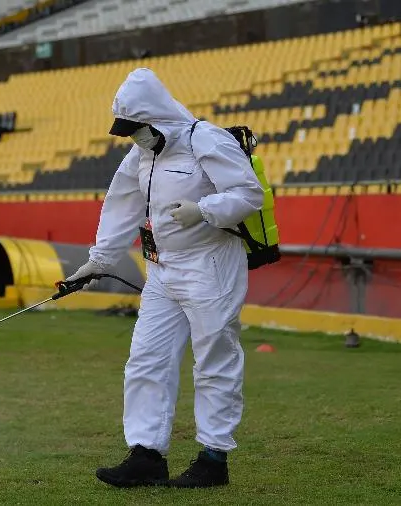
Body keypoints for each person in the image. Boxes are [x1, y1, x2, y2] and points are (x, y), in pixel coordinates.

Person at [65, 68, 264, 489]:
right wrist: (97, 262)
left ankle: (213, 459)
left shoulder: (205, 140)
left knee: (214, 361)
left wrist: (204, 209)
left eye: (136, 129)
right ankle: (146, 454)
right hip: (162, 271)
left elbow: (248, 195)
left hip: (210, 266)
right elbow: (121, 206)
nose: (133, 137)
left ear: (155, 117)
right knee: (146, 360)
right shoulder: (141, 154)